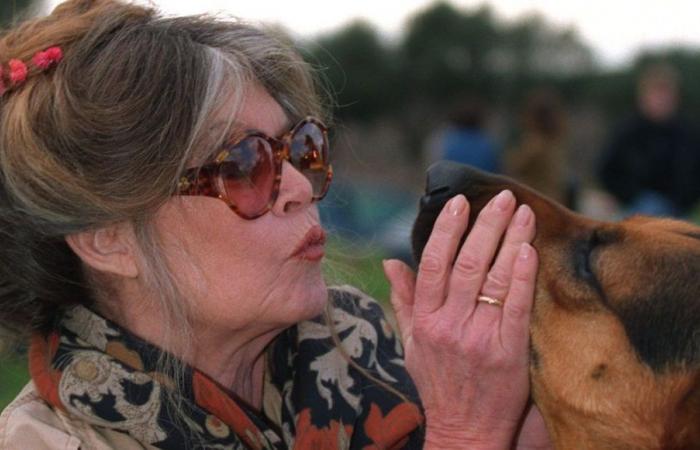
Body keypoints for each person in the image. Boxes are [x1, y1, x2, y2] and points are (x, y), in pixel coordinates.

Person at [0, 1, 548, 448]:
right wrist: (465, 436)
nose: (300, 188)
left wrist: (520, 401)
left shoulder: (358, 344)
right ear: (108, 238)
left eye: (300, 148)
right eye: (243, 165)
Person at [598, 63, 700, 217]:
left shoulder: (688, 133)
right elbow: (606, 170)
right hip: (636, 209)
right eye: (656, 95)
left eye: (666, 95)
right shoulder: (627, 131)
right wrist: (630, 196)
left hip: (677, 211)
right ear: (643, 97)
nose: (662, 100)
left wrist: (683, 201)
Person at [505, 89, 575, 208]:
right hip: (555, 202)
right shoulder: (556, 142)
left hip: (536, 203)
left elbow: (513, 166)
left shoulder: (534, 144)